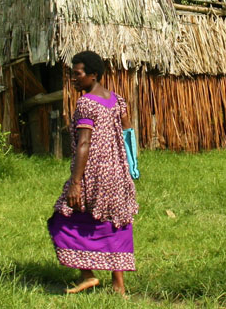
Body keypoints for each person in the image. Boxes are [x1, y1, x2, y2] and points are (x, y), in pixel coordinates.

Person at [47, 50, 138, 295]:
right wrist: (132, 167)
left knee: (62, 219)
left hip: (94, 173)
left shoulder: (86, 103)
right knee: (113, 224)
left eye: (77, 74)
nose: (73, 79)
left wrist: (76, 182)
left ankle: (87, 274)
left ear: (93, 75)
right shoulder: (117, 100)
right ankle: (118, 286)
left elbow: (84, 144)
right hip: (118, 174)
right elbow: (128, 134)